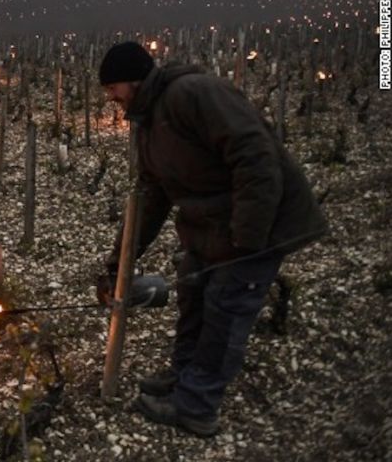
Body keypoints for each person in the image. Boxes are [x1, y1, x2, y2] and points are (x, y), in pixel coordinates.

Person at [97, 41, 327, 437]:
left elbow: (255, 156)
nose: (110, 97)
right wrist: (120, 261)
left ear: (134, 80)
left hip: (258, 225)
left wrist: (247, 238)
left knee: (226, 311)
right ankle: (184, 376)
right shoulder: (148, 121)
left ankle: (197, 406)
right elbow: (151, 196)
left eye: (112, 87)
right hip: (209, 228)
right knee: (194, 298)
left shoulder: (196, 94)